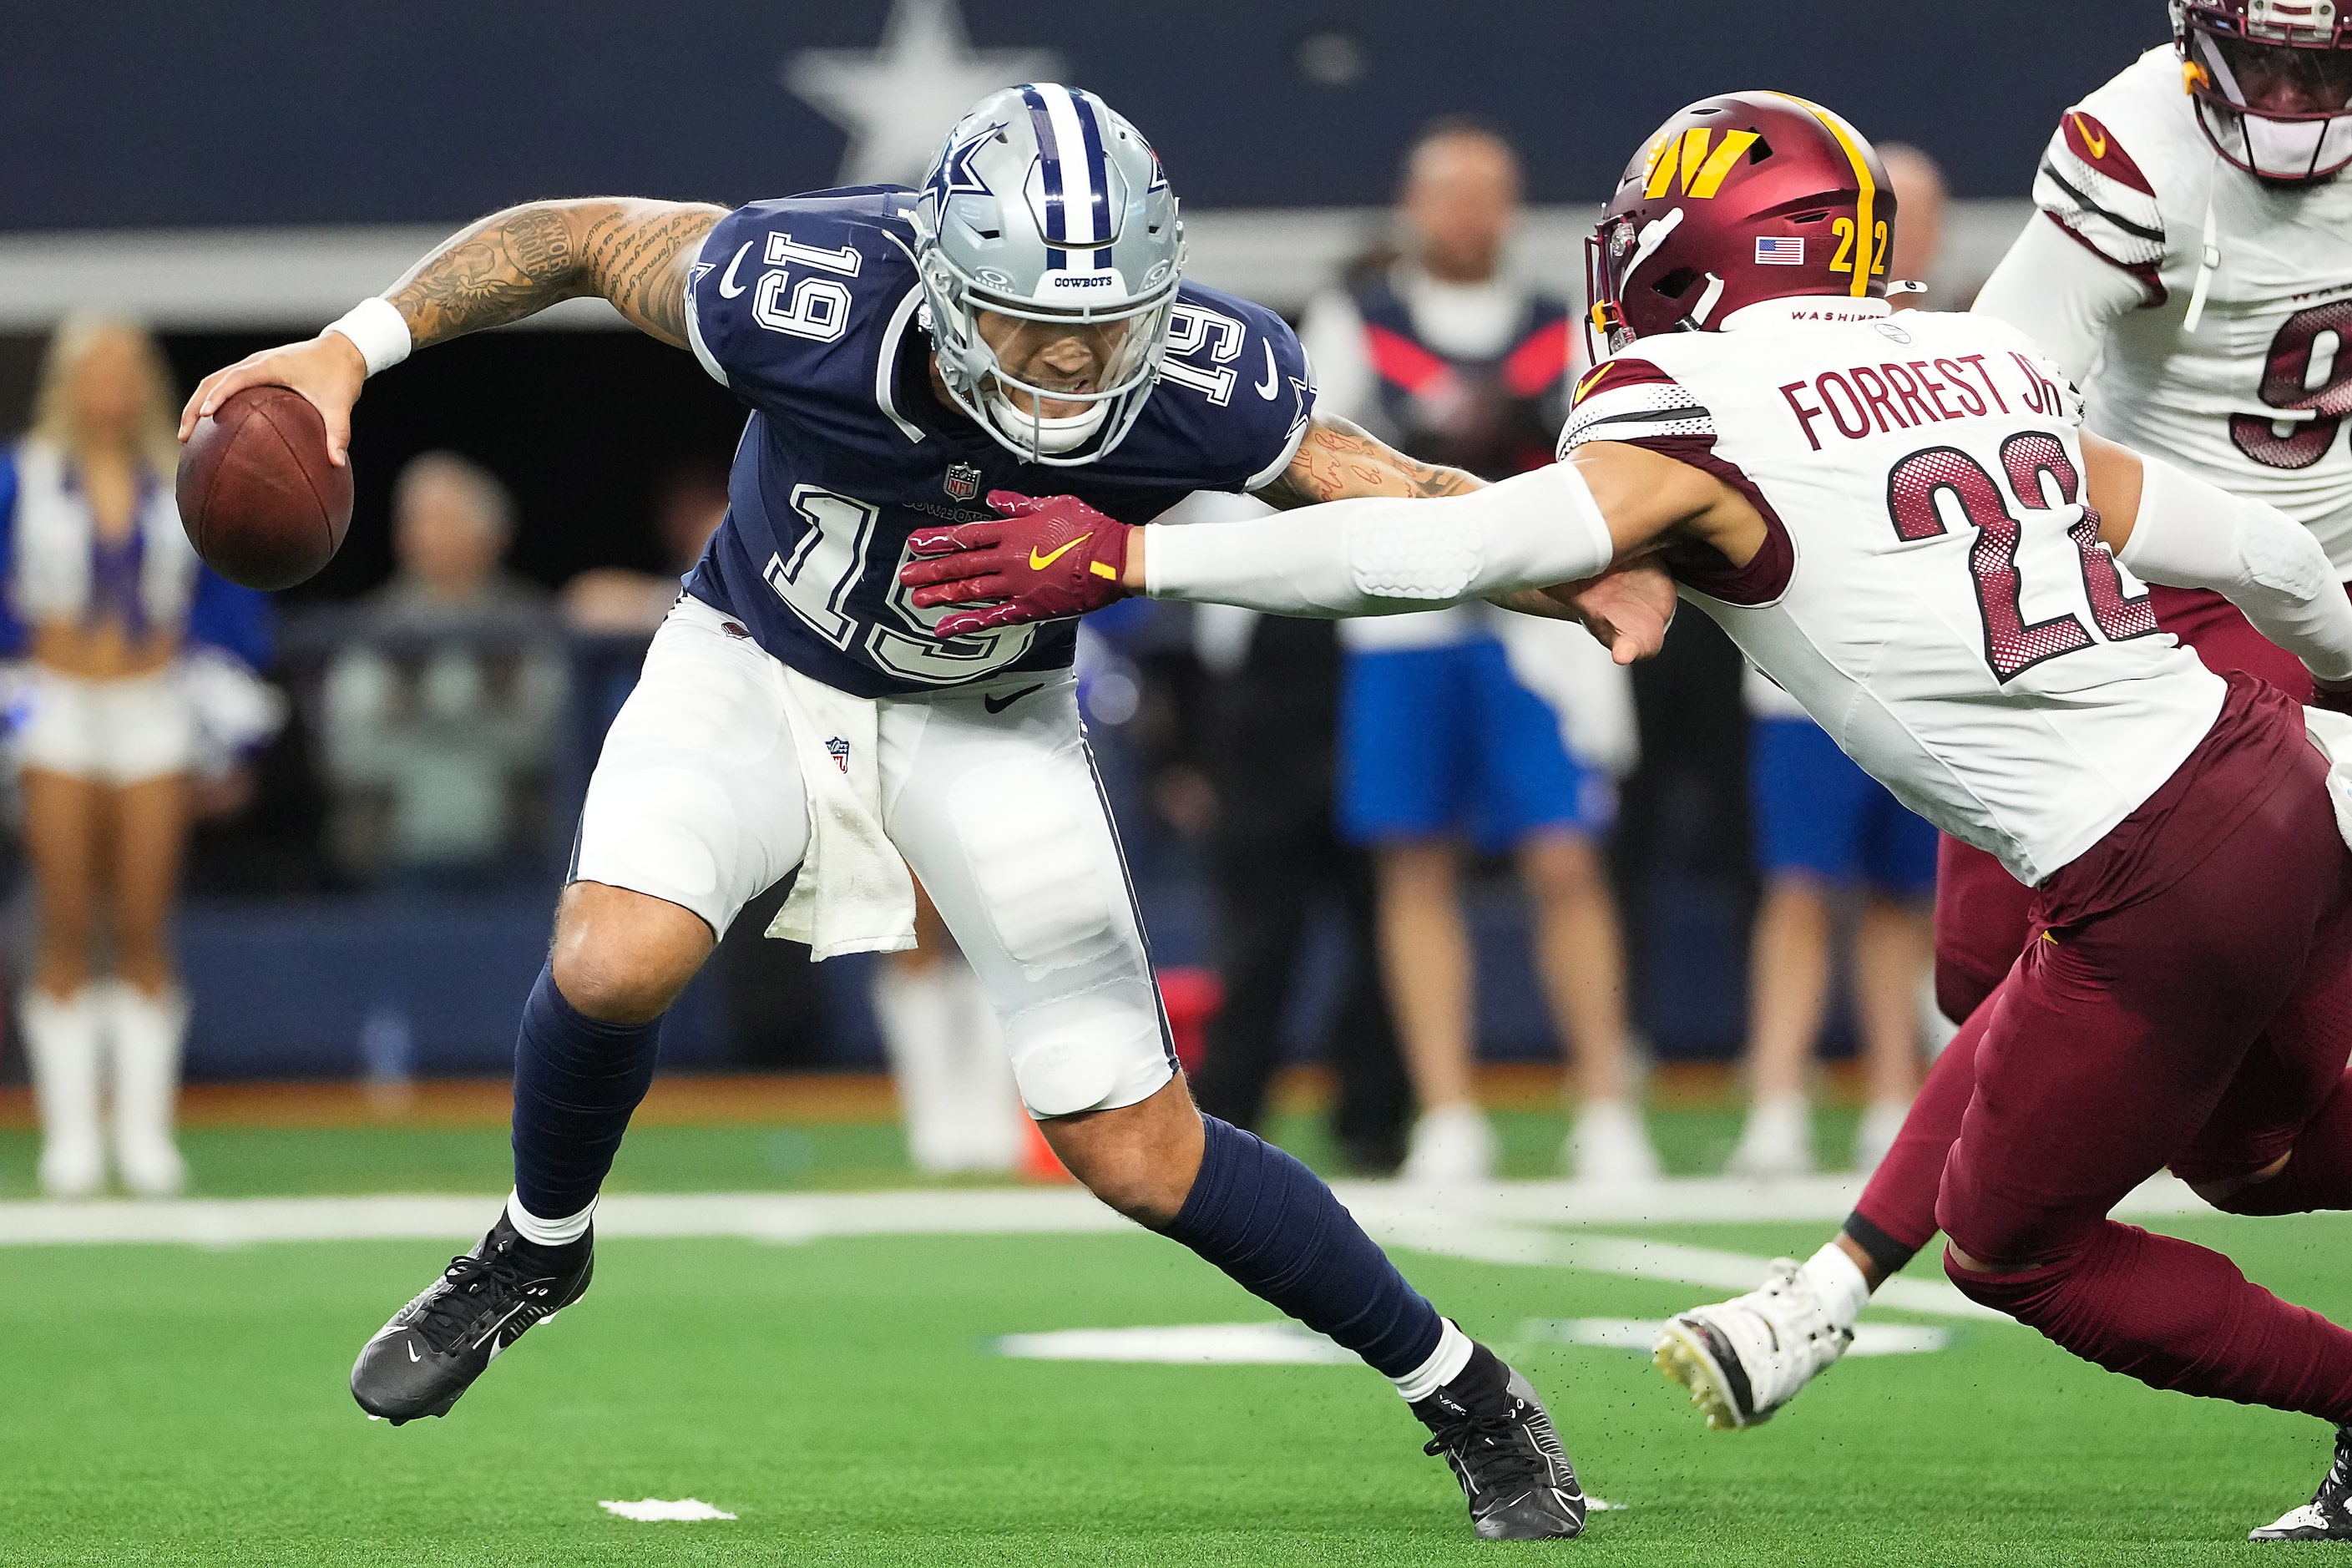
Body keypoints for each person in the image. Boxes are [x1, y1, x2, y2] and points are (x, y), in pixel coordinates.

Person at [898, 88, 2352, 1542]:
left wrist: (1135, 558)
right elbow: (2256, 546)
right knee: (2254, 1152)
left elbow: (1448, 545)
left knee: (2018, 1247)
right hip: (2270, 777)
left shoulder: (1696, 402)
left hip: (2140, 865)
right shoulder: (1981, 348)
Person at [185, 85, 1592, 1539]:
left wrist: (1588, 549)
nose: (1068, 367)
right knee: (614, 956)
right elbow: (573, 236)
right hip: (756, 659)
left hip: (987, 714)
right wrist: (349, 350)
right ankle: (538, 1247)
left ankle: (1470, 1391)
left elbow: (1409, 497)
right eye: (1029, 325)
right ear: (940, 274)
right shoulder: (802, 289)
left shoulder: (1211, 371)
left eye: (1104, 330)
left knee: (1136, 1146)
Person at [1661, 5, 2352, 1494]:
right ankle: (1835, 1282)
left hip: (2299, 625)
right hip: (2151, 591)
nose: (2293, 98)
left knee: (2224, 1130)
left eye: (2327, 66)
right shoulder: (2140, 143)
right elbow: (1999, 399)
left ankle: (1832, 1284)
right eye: (2269, 61)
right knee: (2036, 998)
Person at [1300, 119, 1651, 1184]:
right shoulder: (1358, 320)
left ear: (1512, 206)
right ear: (1413, 207)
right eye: (1446, 194)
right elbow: (1309, 455)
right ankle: (1448, 1110)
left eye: (1485, 194)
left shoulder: (1568, 326)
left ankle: (1603, 1104)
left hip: (1534, 635)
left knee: (1563, 857)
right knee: (1413, 861)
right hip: (1403, 630)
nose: (1466, 215)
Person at [2, 316, 275, 1197]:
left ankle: (145, 1132)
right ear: (67, 383)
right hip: (59, 701)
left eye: (125, 370)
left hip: (152, 704)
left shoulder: (185, 474)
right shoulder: (25, 477)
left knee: (146, 917)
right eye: (94, 370)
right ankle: (73, 1134)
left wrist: (225, 705)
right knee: (67, 915)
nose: (110, 389)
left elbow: (225, 592)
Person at [1723, 145, 1949, 1180]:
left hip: (1923, 671)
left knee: (1909, 896)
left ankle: (1895, 1091)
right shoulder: (1765, 346)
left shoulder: (1966, 349)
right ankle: (1776, 1093)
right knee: (1803, 884)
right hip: (1802, 677)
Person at [319, 453, 567, 883]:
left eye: (443, 519)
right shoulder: (374, 628)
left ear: (490, 534)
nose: (425, 535)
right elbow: (351, 752)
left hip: (517, 854)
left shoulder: (531, 625)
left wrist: (456, 737)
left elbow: (552, 741)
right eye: (415, 520)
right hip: (395, 858)